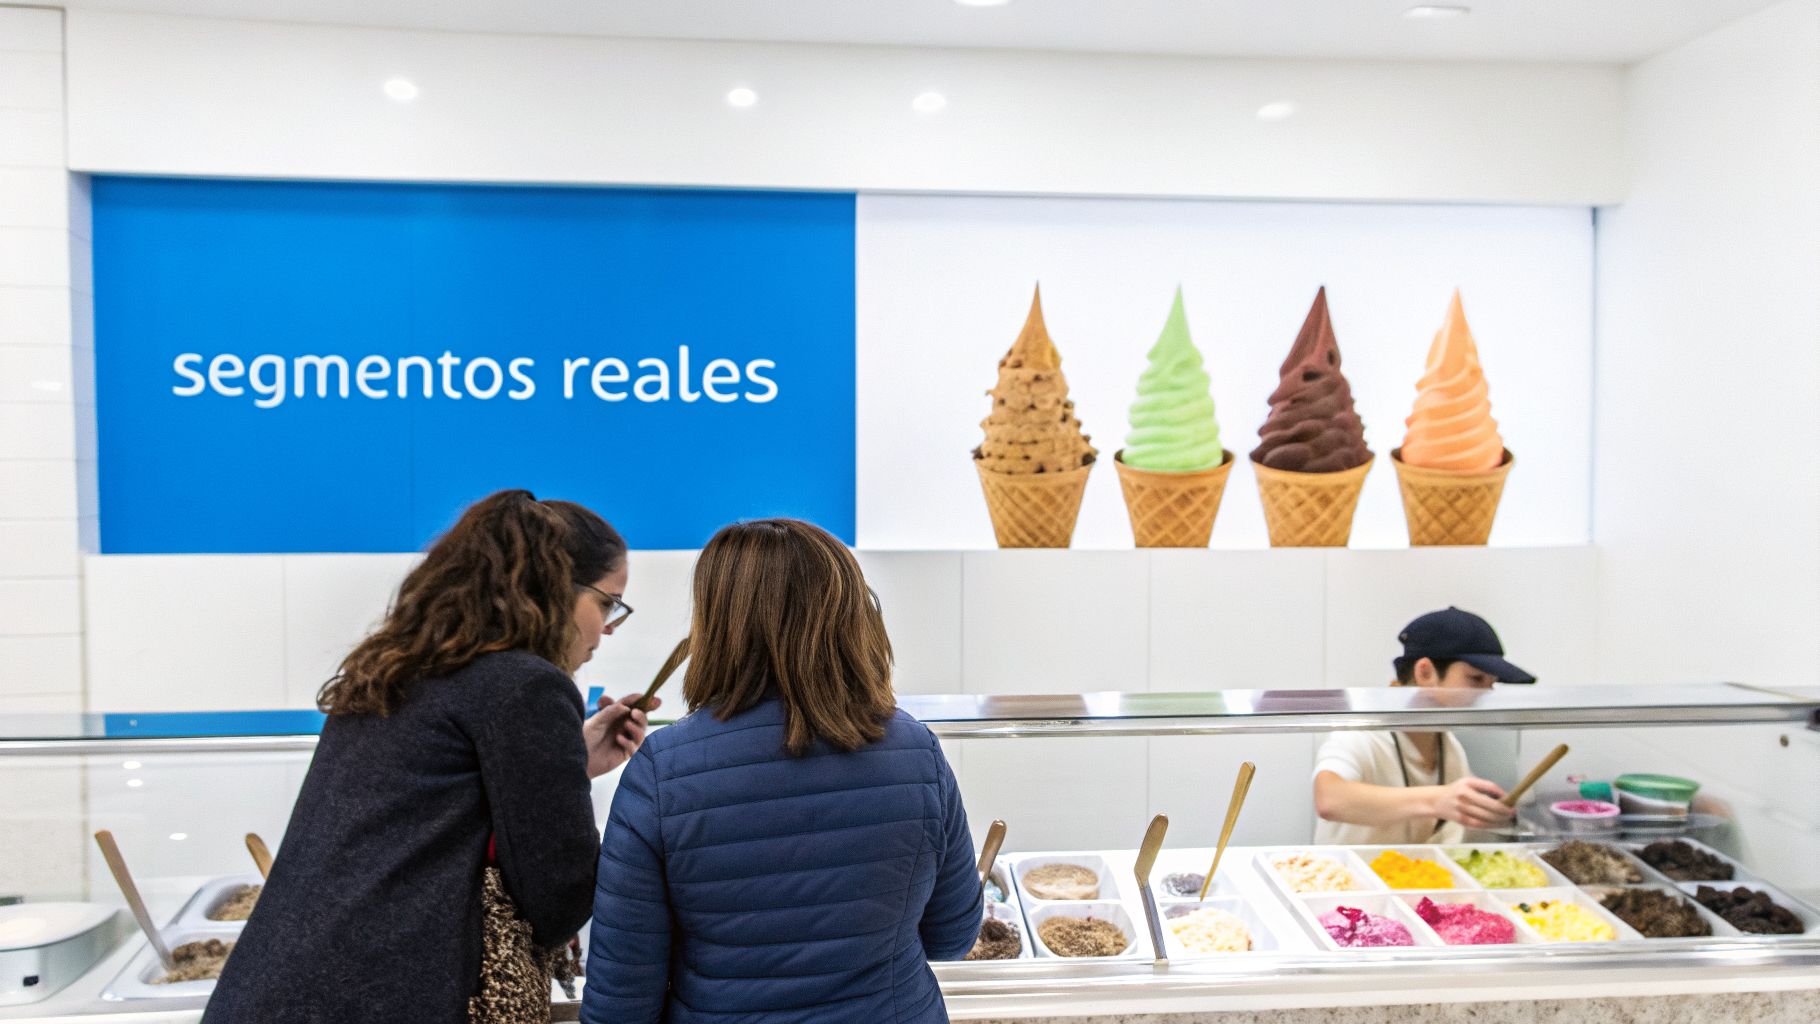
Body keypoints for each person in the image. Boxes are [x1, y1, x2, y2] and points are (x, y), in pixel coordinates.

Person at [204, 489, 659, 1024]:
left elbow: (433, 812)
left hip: (278, 991)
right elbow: (559, 895)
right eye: (607, 603)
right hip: (385, 997)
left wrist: (566, 764)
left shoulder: (393, 668)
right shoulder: (526, 685)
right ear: (557, 589)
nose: (607, 627)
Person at [582, 518, 980, 1024]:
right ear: (849, 615)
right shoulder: (916, 750)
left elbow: (622, 999)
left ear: (715, 624)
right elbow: (952, 935)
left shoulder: (663, 770)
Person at [1312, 607, 1535, 846]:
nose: (1485, 695)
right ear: (1426, 672)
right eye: (1475, 679)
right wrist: (1435, 800)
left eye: (1491, 684)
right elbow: (1329, 799)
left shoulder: (1448, 745)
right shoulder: (1362, 734)